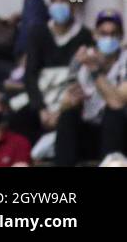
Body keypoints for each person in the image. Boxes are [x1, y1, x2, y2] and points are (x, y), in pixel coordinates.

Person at [13, 0, 94, 145]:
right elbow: (31, 74)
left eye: (63, 0)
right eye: (54, 1)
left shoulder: (84, 35)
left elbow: (85, 77)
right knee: (18, 117)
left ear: (72, 4)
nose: (59, 5)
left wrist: (62, 107)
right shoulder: (38, 33)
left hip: (70, 97)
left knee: (70, 118)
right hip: (44, 94)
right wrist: (41, 109)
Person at [54, 9, 127, 165]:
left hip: (120, 133)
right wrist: (72, 99)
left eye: (113, 34)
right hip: (89, 129)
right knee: (68, 117)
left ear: (121, 36)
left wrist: (94, 70)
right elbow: (64, 103)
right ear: (95, 35)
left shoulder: (124, 60)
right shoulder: (80, 58)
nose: (108, 38)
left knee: (113, 114)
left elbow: (118, 102)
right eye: (103, 33)